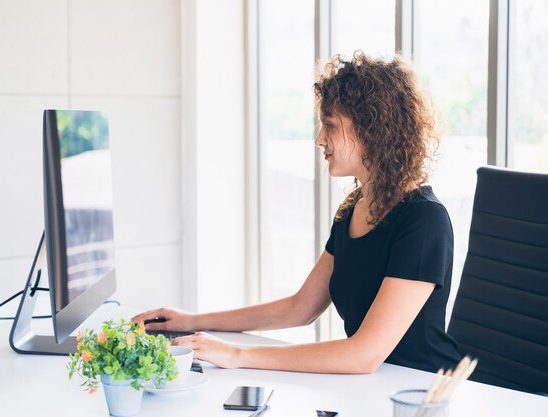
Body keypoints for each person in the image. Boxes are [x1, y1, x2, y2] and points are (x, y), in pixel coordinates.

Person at [132, 52, 461, 374]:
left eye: (329, 125)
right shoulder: (354, 209)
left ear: (372, 129)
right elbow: (301, 308)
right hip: (372, 392)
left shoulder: (424, 221)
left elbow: (364, 355)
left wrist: (235, 354)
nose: (319, 139)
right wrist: (191, 321)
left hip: (424, 395)